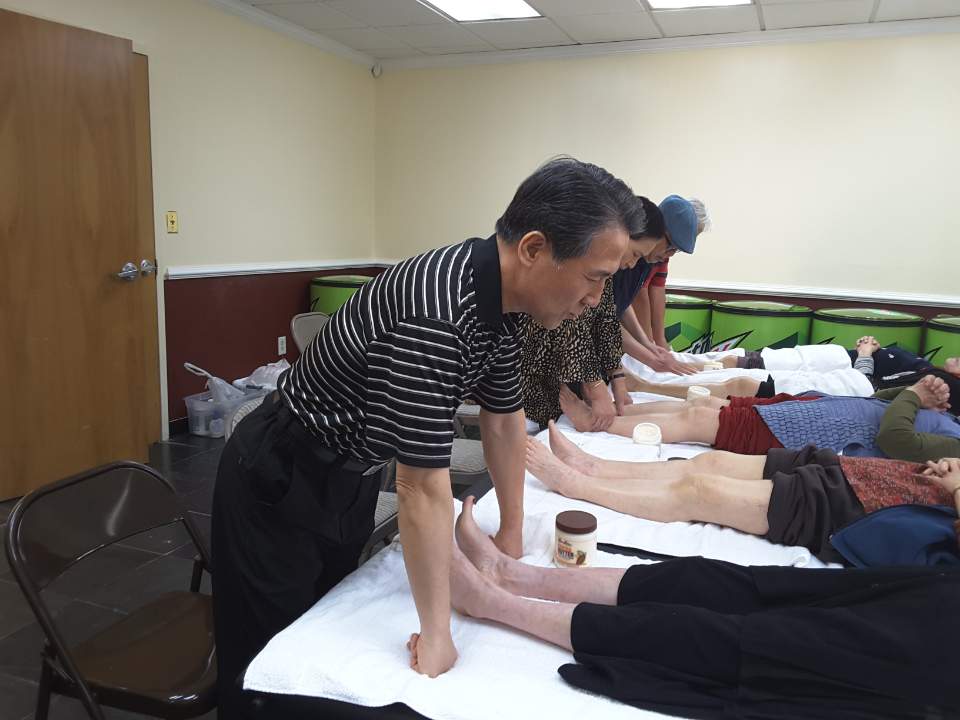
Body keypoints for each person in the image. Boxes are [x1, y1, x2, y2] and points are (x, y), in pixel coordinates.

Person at [210, 157, 641, 711]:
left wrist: (511, 534)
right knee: (268, 668)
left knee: (326, 622)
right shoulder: (438, 314)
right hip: (281, 474)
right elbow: (420, 486)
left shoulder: (505, 301)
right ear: (534, 249)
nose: (596, 299)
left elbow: (503, 418)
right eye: (595, 277)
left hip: (349, 475)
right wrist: (437, 634)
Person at [445, 498, 960, 720]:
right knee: (706, 579)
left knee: (740, 644)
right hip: (932, 593)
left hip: (936, 667)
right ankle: (513, 575)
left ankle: (494, 602)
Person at [525, 421, 960, 561]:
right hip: (846, 471)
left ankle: (577, 484)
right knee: (708, 463)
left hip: (844, 510)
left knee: (699, 490)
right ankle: (594, 466)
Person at [521, 196, 671, 431]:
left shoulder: (606, 270)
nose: (633, 264)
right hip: (529, 376)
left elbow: (606, 319)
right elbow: (574, 324)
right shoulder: (575, 261)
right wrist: (595, 385)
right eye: (635, 254)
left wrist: (617, 379)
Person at [556, 374, 960, 461]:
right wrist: (914, 397)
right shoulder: (951, 426)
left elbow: (896, 440)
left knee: (698, 423)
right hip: (807, 412)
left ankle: (595, 425)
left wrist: (914, 395)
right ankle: (618, 413)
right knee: (702, 409)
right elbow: (878, 402)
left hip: (802, 435)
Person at [629, 196, 710, 354]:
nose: (671, 254)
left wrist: (659, 340)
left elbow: (657, 288)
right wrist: (648, 342)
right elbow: (638, 295)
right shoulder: (644, 256)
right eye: (673, 246)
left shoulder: (661, 251)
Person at [853, 335, 960, 415]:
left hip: (853, 393)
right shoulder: (932, 370)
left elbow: (869, 392)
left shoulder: (945, 381)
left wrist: (864, 354)